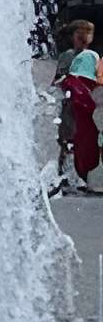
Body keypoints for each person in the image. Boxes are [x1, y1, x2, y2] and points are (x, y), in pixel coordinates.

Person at [56, 19, 101, 193]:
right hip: (70, 103)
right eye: (79, 34)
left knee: (86, 139)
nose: (83, 38)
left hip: (87, 105)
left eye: (87, 34)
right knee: (67, 138)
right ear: (73, 36)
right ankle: (64, 174)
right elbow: (58, 80)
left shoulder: (93, 57)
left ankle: (82, 175)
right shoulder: (67, 56)